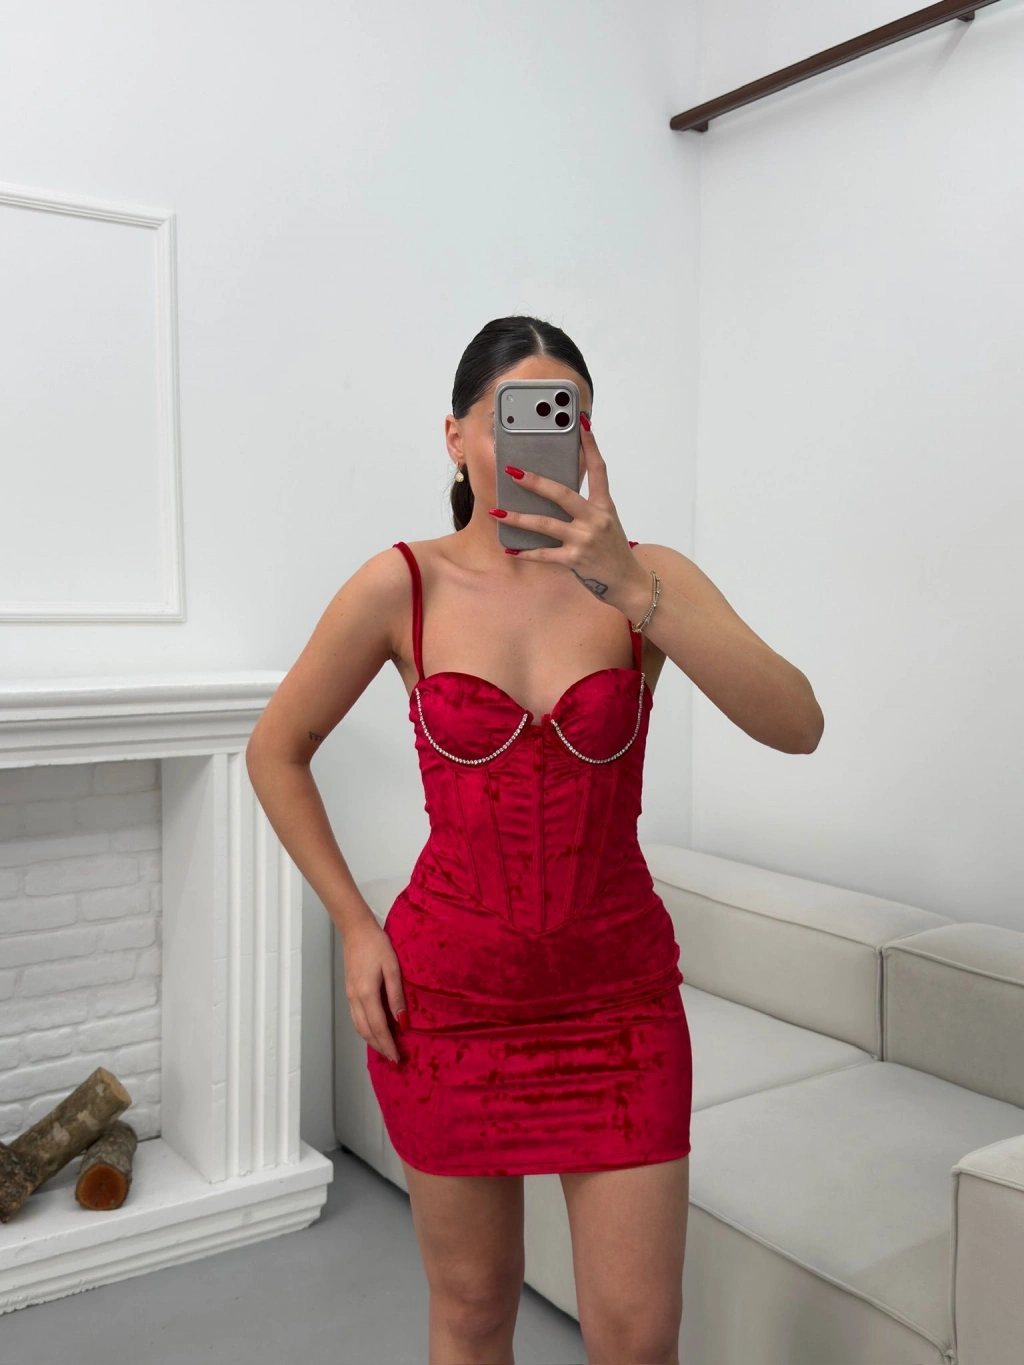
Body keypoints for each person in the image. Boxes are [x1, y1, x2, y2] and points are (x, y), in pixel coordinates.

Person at [246, 315, 824, 1365]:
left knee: (638, 1338)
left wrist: (632, 589)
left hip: (619, 1008)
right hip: (450, 1004)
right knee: (473, 1314)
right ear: (456, 437)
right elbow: (275, 751)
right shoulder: (402, 585)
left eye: (569, 418)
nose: (542, 439)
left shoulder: (648, 579)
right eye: (515, 415)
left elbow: (798, 724)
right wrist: (355, 925)